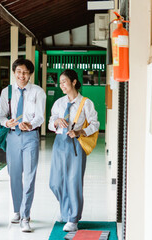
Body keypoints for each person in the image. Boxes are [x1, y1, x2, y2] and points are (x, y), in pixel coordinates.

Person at [48, 69, 100, 232]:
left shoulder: (86, 103)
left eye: (64, 81)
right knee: (55, 182)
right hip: (59, 143)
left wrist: (79, 132)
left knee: (73, 182)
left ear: (74, 82)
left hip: (76, 145)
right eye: (60, 82)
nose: (61, 85)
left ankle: (73, 218)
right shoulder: (59, 103)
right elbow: (50, 124)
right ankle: (65, 209)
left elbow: (95, 124)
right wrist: (56, 121)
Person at [0, 58, 46, 232]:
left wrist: (31, 125)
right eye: (19, 71)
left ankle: (26, 216)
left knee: (30, 176)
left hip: (30, 137)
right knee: (14, 175)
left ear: (30, 74)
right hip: (13, 137)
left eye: (25, 72)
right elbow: (1, 115)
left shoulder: (38, 92)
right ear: (14, 73)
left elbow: (40, 116)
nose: (22, 75)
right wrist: (7, 123)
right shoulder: (7, 92)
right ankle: (17, 210)